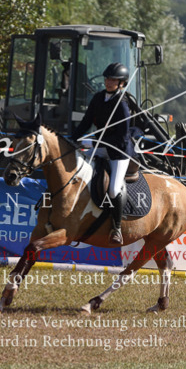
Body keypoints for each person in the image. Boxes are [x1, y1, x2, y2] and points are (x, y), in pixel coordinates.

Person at [72, 62, 134, 244]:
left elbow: (122, 138)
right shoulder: (98, 98)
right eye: (107, 78)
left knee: (114, 189)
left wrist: (92, 141)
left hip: (118, 152)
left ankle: (116, 228)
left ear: (121, 83)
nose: (108, 82)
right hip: (99, 147)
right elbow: (85, 122)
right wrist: (71, 138)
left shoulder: (122, 104)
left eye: (113, 79)